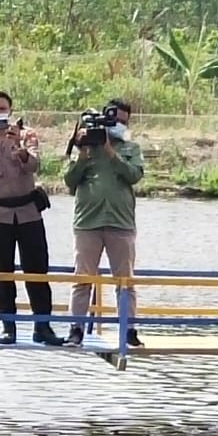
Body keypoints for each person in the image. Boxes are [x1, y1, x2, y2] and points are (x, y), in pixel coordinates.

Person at [0, 90, 62, 347]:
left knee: (36, 270)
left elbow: (35, 165)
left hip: (28, 212)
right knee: (2, 272)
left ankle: (42, 325)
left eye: (2, 108)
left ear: (11, 110)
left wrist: (20, 149)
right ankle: (8, 326)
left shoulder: (26, 135)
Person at [63, 98, 145, 348]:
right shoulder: (86, 148)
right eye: (113, 119)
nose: (117, 124)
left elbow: (134, 175)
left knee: (125, 280)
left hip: (121, 223)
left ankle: (129, 328)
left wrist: (111, 153)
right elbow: (69, 181)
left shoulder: (131, 148)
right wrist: (83, 153)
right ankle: (76, 328)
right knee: (83, 278)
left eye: (122, 120)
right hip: (88, 222)